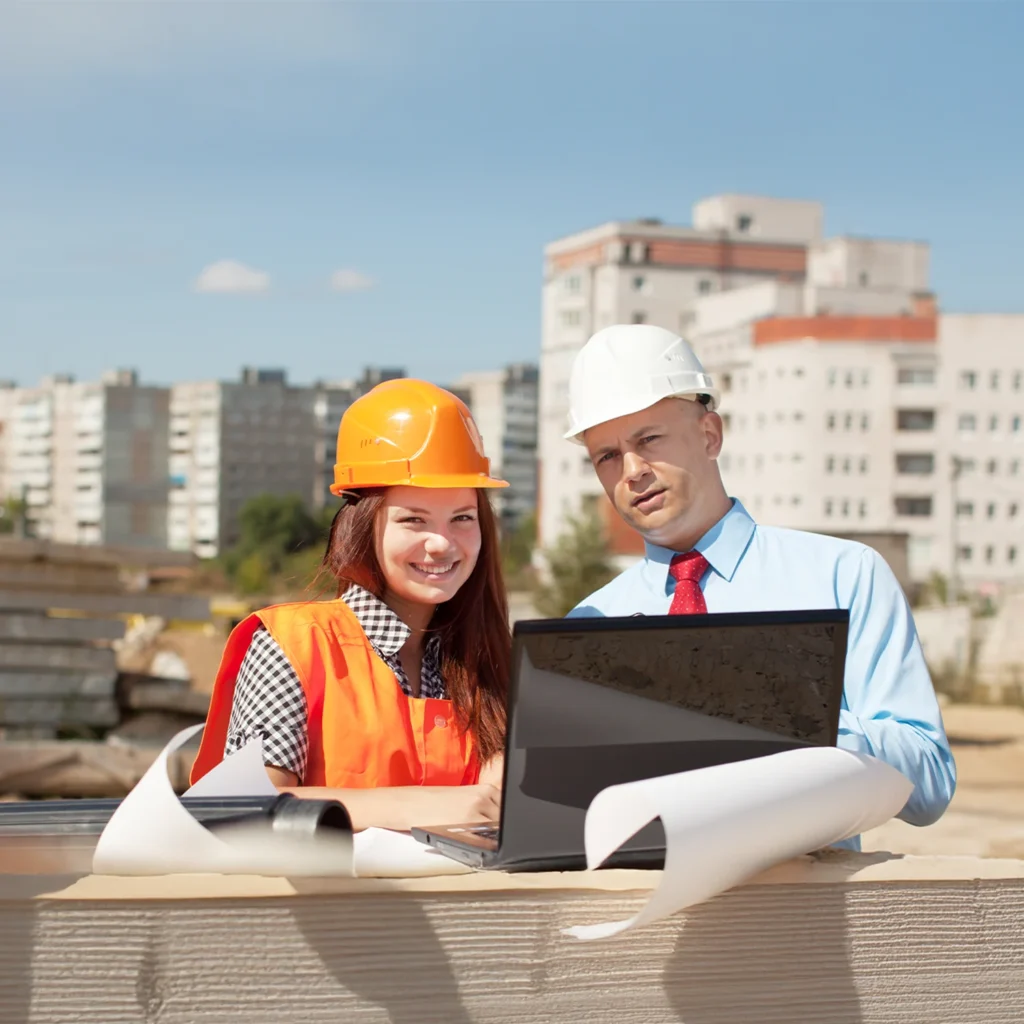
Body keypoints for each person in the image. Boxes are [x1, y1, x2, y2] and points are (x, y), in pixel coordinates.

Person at [562, 324, 955, 846]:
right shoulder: (589, 624)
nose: (631, 470)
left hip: (796, 916)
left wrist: (789, 719)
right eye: (607, 456)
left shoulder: (842, 575)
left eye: (649, 440)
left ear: (709, 435)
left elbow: (928, 785)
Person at [191, 379, 511, 831]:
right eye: (412, 520)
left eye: (462, 518)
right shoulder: (293, 647)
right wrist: (429, 807)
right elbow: (244, 806)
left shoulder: (493, 664)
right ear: (361, 528)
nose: (441, 543)